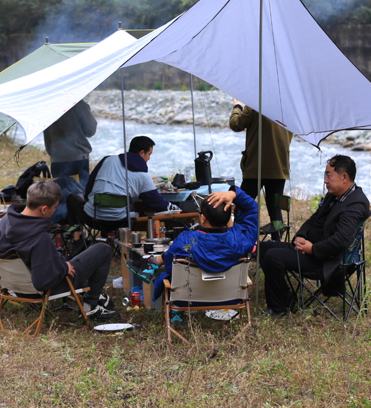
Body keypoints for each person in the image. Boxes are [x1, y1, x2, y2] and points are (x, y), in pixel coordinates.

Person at [259, 154, 370, 318]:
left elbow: (341, 240)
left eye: (328, 175)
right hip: (311, 248)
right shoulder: (335, 195)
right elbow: (314, 219)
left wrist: (313, 249)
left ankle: (277, 309)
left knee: (273, 256)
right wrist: (301, 236)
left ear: (344, 177)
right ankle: (285, 296)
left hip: (326, 259)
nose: (325, 180)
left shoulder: (355, 203)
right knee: (265, 247)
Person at [0, 179, 119, 321]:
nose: (54, 211)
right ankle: (92, 306)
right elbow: (43, 281)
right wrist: (63, 268)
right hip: (41, 289)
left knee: (66, 259)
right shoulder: (39, 238)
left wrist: (60, 262)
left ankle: (95, 295)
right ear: (44, 209)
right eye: (54, 208)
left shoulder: (5, 221)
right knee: (102, 249)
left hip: (16, 286)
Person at [129, 186, 258, 302]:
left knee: (172, 257)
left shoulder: (188, 241)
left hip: (190, 299)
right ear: (229, 216)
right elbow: (253, 209)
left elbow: (171, 264)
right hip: (232, 298)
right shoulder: (242, 238)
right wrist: (234, 194)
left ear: (202, 218)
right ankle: (152, 263)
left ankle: (152, 264)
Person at [72, 136, 179, 232]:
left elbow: (89, 189)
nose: (149, 158)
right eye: (149, 154)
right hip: (119, 221)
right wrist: (175, 208)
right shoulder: (143, 176)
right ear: (142, 153)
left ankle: (77, 238)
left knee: (72, 198)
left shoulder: (108, 160)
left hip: (92, 218)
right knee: (132, 206)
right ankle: (120, 240)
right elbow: (157, 202)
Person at [229, 99, 292, 240]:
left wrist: (237, 107)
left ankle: (239, 241)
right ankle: (277, 243)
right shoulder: (287, 106)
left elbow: (236, 124)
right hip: (278, 166)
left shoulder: (257, 101)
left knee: (241, 205)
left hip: (256, 167)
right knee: (275, 210)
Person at [43, 100, 97, 185]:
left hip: (56, 158)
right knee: (80, 194)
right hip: (78, 158)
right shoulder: (77, 103)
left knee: (61, 194)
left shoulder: (48, 104)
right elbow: (90, 130)